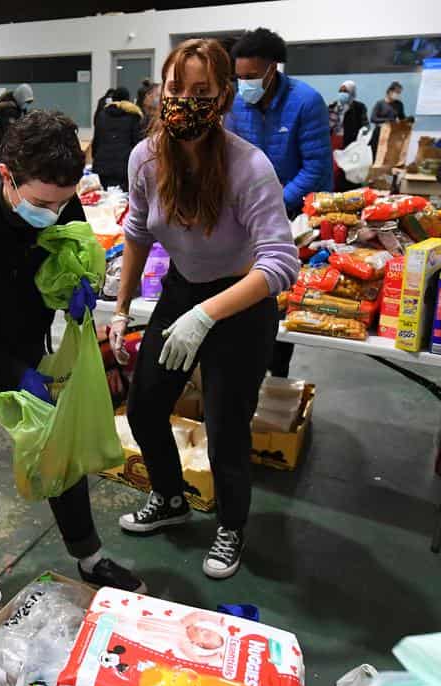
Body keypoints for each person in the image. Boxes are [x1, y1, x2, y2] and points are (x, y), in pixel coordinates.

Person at [0, 109, 144, 594]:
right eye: (43, 201)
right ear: (8, 175)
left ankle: (90, 556)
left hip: (28, 342)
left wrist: (80, 284)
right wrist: (8, 371)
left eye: (63, 203)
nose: (54, 212)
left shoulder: (61, 202)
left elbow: (73, 246)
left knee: (58, 448)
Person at [111, 39, 298, 580]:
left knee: (225, 425)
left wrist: (207, 314)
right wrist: (122, 308)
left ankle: (231, 526)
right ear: (159, 91)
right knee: (145, 406)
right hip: (181, 291)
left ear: (223, 98)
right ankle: (170, 499)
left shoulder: (249, 166)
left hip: (242, 302)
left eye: (201, 92)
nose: (184, 101)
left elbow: (281, 263)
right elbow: (138, 231)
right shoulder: (145, 157)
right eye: (175, 89)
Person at [223, 27, 329, 379]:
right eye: (239, 77)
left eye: (251, 77)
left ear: (273, 69)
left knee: (280, 291)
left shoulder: (305, 101)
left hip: (293, 212)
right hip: (245, 212)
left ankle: (277, 370)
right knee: (242, 286)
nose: (244, 85)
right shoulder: (238, 103)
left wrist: (273, 203)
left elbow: (315, 168)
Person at [91, 87, 142, 191]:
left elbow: (97, 139)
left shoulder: (102, 115)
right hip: (124, 165)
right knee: (123, 200)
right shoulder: (133, 116)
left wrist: (95, 157)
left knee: (105, 201)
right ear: (128, 99)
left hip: (103, 164)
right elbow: (137, 142)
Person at [329, 81, 368, 190]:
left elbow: (365, 125)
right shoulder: (333, 106)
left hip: (351, 144)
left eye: (345, 91)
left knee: (348, 169)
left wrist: (363, 136)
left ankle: (349, 193)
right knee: (334, 169)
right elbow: (327, 126)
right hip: (334, 141)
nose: (342, 94)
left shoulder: (359, 108)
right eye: (340, 91)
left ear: (352, 92)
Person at [369, 82, 406, 158]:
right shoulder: (380, 103)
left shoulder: (399, 104)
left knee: (388, 157)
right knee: (376, 156)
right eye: (396, 92)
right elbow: (373, 118)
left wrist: (408, 121)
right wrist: (388, 120)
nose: (398, 94)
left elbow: (402, 118)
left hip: (392, 134)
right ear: (389, 91)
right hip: (379, 133)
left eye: (399, 93)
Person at [0, 83, 33, 148]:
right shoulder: (10, 111)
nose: (27, 104)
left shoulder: (19, 109)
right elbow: (10, 132)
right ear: (20, 98)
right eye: (26, 102)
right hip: (9, 148)